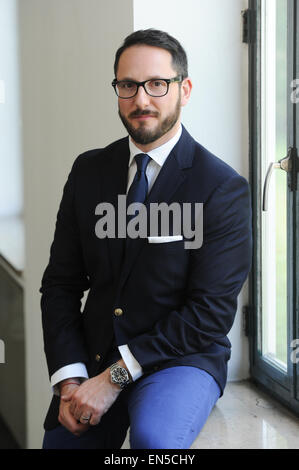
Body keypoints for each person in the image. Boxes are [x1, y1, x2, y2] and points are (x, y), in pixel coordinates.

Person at [40, 28, 252, 449]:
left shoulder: (221, 187)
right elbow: (61, 284)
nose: (141, 99)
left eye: (157, 84)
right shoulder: (88, 171)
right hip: (96, 354)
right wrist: (70, 378)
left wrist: (115, 377)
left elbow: (209, 313)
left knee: (156, 443)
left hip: (180, 360)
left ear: (184, 89)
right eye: (128, 85)